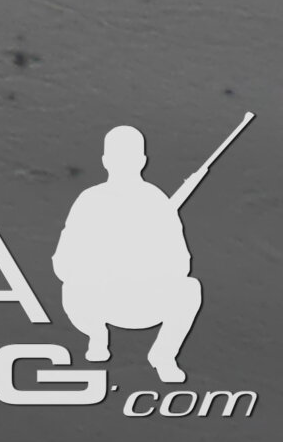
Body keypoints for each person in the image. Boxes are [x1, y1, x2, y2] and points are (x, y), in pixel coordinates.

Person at [55, 125, 207, 384]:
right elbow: (63, 262)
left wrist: (144, 262)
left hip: (144, 301)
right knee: (72, 288)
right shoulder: (90, 201)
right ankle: (96, 335)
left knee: (189, 289)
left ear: (142, 161)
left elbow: (181, 265)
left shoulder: (157, 203)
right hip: (96, 300)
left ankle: (163, 355)